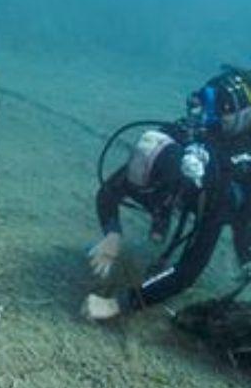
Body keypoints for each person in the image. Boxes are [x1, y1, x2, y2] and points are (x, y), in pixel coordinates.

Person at [83, 126, 251, 319]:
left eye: (154, 196)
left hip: (241, 200)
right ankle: (161, 215)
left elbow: (186, 274)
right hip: (178, 184)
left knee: (244, 238)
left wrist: (117, 304)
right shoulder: (152, 160)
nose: (144, 199)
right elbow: (107, 194)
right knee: (154, 197)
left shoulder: (213, 196)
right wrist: (113, 234)